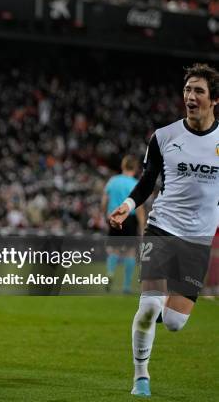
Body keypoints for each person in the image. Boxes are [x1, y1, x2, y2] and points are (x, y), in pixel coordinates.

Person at [109, 63, 219, 397]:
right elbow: (146, 182)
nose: (191, 96)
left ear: (215, 99)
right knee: (149, 308)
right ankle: (140, 376)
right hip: (162, 227)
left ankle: (154, 315)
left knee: (173, 322)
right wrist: (127, 206)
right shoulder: (164, 137)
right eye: (188, 89)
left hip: (198, 239)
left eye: (199, 90)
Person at [101, 155, 146, 293]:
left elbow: (104, 201)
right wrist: (142, 225)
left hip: (113, 217)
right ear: (136, 168)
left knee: (113, 250)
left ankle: (110, 273)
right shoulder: (135, 184)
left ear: (123, 165)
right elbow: (138, 207)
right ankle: (126, 286)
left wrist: (105, 217)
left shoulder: (113, 181)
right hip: (129, 219)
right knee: (130, 253)